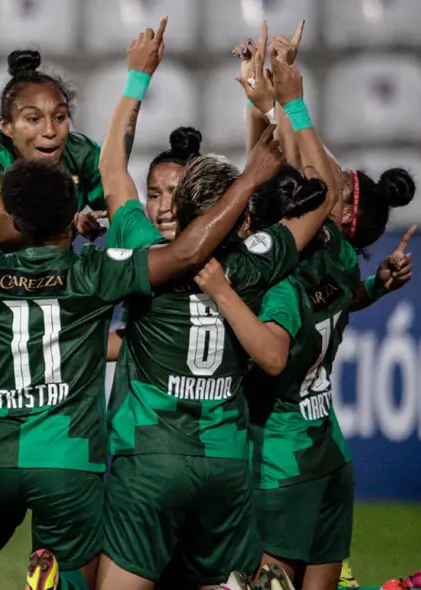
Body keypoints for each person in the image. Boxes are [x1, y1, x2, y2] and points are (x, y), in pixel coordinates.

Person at [0, 34, 290, 590]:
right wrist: (253, 177)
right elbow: (186, 251)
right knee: (79, 570)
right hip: (69, 460)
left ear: (12, 211)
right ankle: (54, 581)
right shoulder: (95, 272)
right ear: (73, 216)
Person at [97, 23, 344, 590]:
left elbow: (112, 167)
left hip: (149, 456)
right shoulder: (258, 261)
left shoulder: (146, 251)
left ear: (178, 205)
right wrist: (291, 103)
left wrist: (139, 73)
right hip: (226, 463)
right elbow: (323, 193)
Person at [227, 24, 418, 590]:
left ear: (337, 213)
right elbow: (285, 168)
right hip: (328, 447)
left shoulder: (280, 271)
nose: (323, 175)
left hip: (282, 453)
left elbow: (278, 174)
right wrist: (269, 101)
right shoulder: (339, 262)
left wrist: (287, 101)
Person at [0, 49, 107, 251]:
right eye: (33, 119)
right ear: (7, 127)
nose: (49, 131)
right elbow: (2, 231)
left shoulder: (82, 153)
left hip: (55, 269)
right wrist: (68, 225)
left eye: (60, 117)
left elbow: (127, 213)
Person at [144, 126, 203, 243]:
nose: (163, 207)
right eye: (154, 196)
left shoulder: (233, 259)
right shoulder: (138, 256)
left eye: (177, 194)